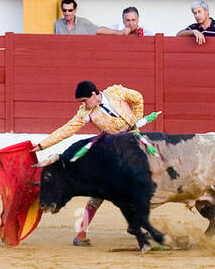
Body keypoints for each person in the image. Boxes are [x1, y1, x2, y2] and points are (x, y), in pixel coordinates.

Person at [34, 79, 148, 246]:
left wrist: (137, 121)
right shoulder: (85, 113)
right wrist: (42, 145)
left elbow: (137, 97)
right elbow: (66, 130)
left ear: (94, 95)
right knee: (100, 192)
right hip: (114, 151)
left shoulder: (116, 92)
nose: (83, 104)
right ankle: (81, 234)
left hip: (136, 143)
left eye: (84, 100)